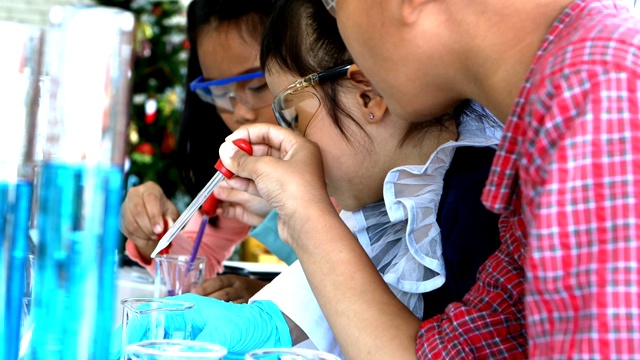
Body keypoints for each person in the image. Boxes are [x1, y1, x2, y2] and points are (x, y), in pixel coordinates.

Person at [217, 0, 640, 358]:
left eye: (333, 3)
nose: (341, 29)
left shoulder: (605, 107)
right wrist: (304, 213)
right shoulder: (557, 113)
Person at [113, 0, 504, 357]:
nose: (296, 144)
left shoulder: (479, 200)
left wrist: (302, 214)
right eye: (222, 94)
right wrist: (267, 322)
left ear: (367, 94)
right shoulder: (391, 200)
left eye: (295, 118)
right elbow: (347, 288)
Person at [119, 0, 295, 304]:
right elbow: (197, 261)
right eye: (219, 91)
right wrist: (153, 237)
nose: (240, 113)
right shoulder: (246, 164)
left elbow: (381, 285)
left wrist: (277, 295)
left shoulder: (351, 157)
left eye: (256, 86)